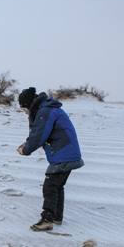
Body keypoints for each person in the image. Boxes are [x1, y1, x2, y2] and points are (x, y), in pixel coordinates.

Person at [17, 87, 84, 231]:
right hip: (68, 152)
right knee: (57, 186)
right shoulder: (46, 109)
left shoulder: (45, 111)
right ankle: (56, 217)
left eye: (24, 108)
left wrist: (25, 150)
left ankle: (47, 219)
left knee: (50, 186)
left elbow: (38, 135)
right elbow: (40, 132)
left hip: (64, 154)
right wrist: (28, 143)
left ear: (29, 104)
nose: (25, 112)